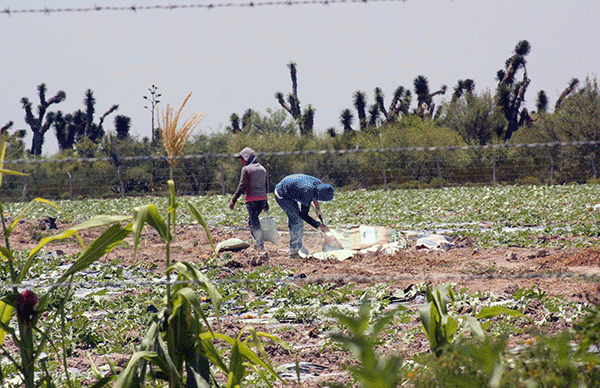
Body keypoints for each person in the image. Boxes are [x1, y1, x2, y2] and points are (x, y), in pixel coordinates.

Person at [274, 173, 334, 257]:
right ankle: (294, 251)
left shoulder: (319, 184)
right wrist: (319, 225)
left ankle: (296, 243)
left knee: (295, 218)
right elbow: (303, 215)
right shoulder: (307, 192)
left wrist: (317, 208)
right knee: (297, 220)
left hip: (292, 188)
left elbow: (314, 197)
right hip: (282, 194)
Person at [230, 147, 269, 250]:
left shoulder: (246, 169)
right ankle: (258, 243)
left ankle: (259, 245)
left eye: (242, 158)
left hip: (251, 200)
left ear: (247, 158)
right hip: (262, 200)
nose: (242, 161)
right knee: (252, 221)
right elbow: (265, 187)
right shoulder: (262, 169)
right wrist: (266, 204)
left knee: (254, 222)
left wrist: (234, 200)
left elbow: (241, 186)